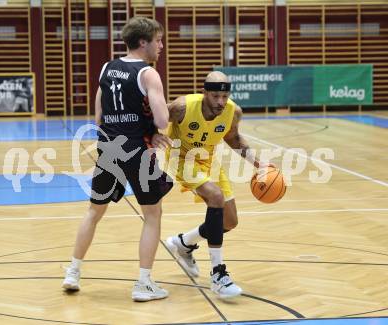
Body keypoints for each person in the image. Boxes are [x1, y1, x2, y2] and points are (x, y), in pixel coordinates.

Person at [62, 17, 172, 302]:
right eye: (158, 40)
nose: (161, 46)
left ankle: (73, 272)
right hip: (138, 151)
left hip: (109, 148)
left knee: (93, 212)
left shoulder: (106, 68)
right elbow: (162, 118)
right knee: (152, 215)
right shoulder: (149, 74)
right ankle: (144, 283)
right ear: (143, 42)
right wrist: (152, 129)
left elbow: (98, 117)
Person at [151, 71, 272, 299]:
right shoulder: (182, 107)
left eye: (224, 96)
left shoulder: (232, 112)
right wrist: (153, 135)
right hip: (181, 159)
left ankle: (184, 242)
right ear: (204, 92)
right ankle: (218, 275)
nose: (220, 102)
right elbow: (153, 116)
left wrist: (259, 163)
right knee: (215, 197)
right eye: (215, 96)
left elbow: (234, 139)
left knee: (230, 221)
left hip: (208, 161)